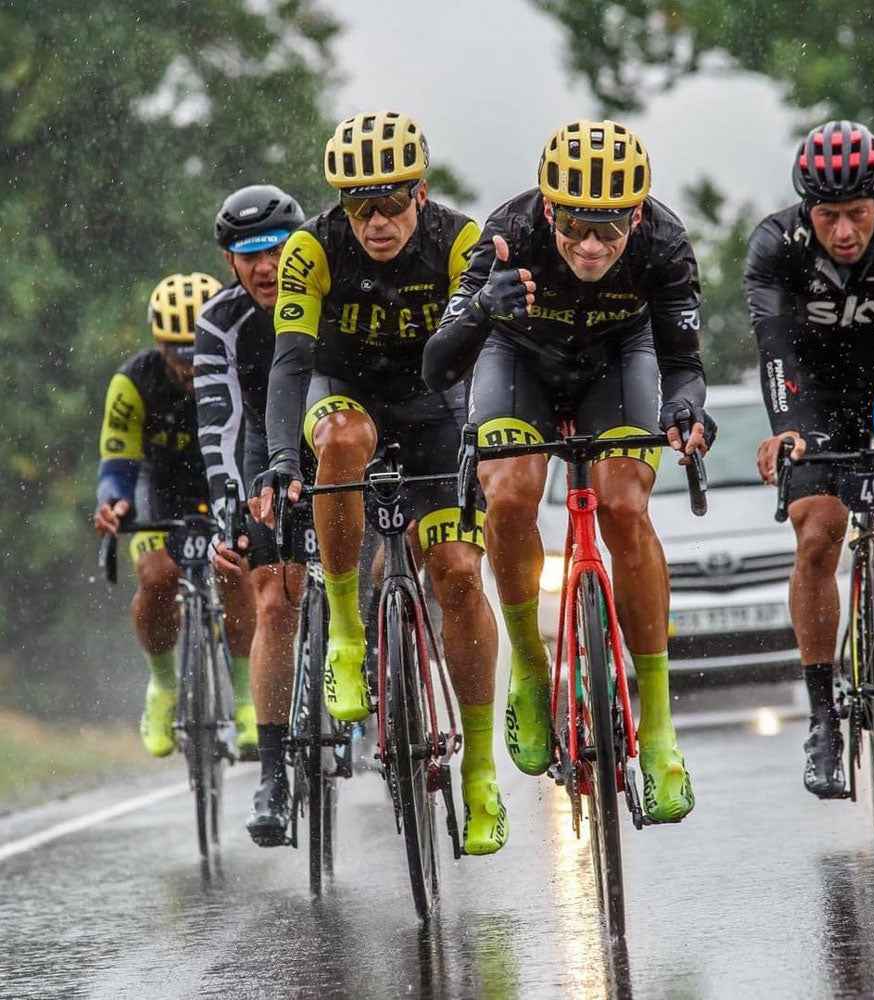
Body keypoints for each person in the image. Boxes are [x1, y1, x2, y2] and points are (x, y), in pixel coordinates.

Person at [422, 118, 713, 823]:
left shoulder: (667, 245)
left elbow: (683, 366)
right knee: (512, 493)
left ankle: (661, 734)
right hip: (517, 359)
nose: (590, 245)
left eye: (610, 231)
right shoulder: (505, 235)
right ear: (549, 210)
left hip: (618, 361)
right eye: (577, 226)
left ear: (636, 217)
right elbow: (437, 368)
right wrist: (480, 313)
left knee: (623, 505)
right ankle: (527, 664)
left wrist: (684, 411)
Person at [251, 111, 506, 854]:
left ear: (420, 195)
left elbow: (491, 354)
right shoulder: (312, 249)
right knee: (341, 439)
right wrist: (276, 457)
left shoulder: (459, 242)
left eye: (393, 204)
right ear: (341, 205)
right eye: (361, 207)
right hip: (345, 394)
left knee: (457, 573)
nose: (378, 222)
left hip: (437, 406)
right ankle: (348, 636)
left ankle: (483, 770)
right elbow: (291, 364)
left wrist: (490, 439)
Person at [745, 120, 874, 799]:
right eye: (827, 215)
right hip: (814, 391)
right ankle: (823, 718)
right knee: (816, 535)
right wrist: (787, 430)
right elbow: (774, 347)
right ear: (807, 208)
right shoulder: (776, 244)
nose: (842, 231)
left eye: (856, 214)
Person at [93, 272, 257, 758]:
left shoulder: (243, 364)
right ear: (157, 344)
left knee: (236, 572)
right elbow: (117, 458)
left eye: (197, 349)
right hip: (160, 490)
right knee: (156, 574)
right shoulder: (134, 382)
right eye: (176, 353)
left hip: (225, 480)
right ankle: (163, 686)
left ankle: (246, 697)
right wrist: (113, 501)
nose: (188, 366)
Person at [196, 184, 308, 846]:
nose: (264, 267)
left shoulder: (328, 289)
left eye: (274, 249)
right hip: (266, 445)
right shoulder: (220, 321)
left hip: (331, 432)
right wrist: (228, 508)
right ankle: (273, 774)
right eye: (247, 254)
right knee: (272, 601)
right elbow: (220, 425)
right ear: (230, 262)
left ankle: (374, 656)